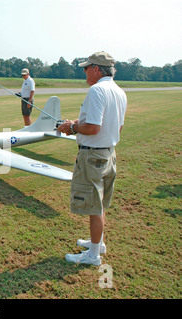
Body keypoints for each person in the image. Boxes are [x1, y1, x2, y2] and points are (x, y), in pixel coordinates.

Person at [57, 51, 127, 266]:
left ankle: (93, 256)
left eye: (86, 68)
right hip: (108, 154)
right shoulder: (118, 91)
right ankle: (98, 243)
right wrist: (80, 122)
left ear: (96, 69)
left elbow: (94, 128)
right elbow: (116, 126)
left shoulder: (97, 90)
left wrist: (72, 127)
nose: (85, 72)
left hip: (93, 156)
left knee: (94, 206)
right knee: (100, 204)